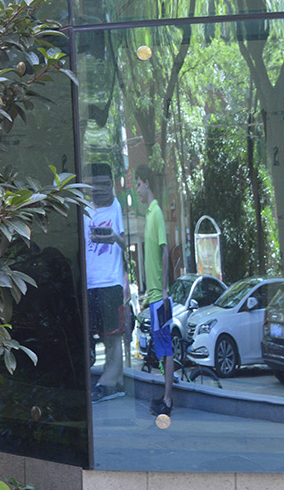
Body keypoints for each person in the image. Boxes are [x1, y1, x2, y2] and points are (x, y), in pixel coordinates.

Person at [85, 162, 130, 403]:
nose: (100, 189)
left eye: (104, 184)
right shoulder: (83, 208)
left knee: (112, 336)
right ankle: (104, 380)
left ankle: (112, 382)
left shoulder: (116, 208)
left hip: (110, 282)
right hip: (89, 283)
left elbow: (125, 244)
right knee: (93, 335)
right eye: (95, 184)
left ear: (112, 185)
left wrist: (114, 238)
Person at [136, 164, 172, 416]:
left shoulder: (156, 212)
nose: (136, 189)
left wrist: (165, 288)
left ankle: (168, 400)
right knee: (160, 349)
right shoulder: (148, 214)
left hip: (160, 296)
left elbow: (165, 250)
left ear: (147, 183)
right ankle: (165, 395)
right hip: (154, 296)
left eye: (138, 184)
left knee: (166, 348)